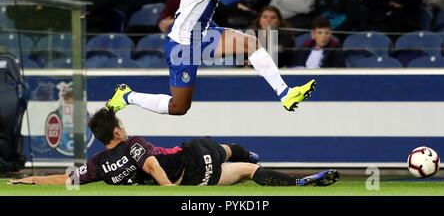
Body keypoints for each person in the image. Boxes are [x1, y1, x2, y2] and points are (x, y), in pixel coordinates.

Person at [106, 0, 317, 116]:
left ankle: (285, 93)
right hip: (182, 44)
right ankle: (126, 96)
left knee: (251, 43)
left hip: (201, 34)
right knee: (179, 108)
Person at [7, 106, 340, 187]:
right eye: (121, 124)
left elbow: (67, 180)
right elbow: (149, 164)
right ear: (118, 132)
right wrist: (167, 188)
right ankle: (267, 164)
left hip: (196, 179)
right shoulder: (133, 144)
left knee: (244, 172)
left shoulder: (98, 164)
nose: (125, 127)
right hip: (191, 157)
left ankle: (297, 182)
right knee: (235, 150)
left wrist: (31, 179)